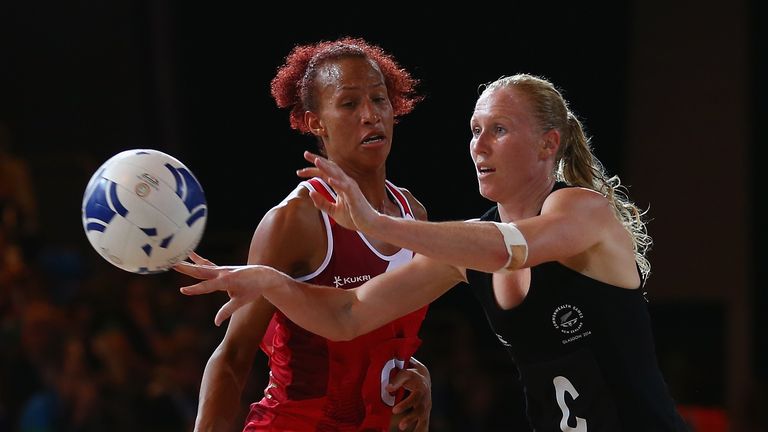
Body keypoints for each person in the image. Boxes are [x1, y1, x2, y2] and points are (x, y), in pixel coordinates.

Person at [175, 73, 689, 431]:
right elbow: (349, 314)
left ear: (547, 144)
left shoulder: (583, 211)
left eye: (500, 130)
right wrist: (271, 282)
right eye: (474, 131)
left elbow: (513, 249)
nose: (479, 145)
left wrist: (379, 224)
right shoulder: (468, 246)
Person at [187, 37, 433, 432]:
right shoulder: (295, 220)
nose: (371, 115)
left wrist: (415, 374)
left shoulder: (412, 214)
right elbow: (233, 357)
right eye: (350, 104)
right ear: (315, 121)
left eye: (379, 99)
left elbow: (379, 337)